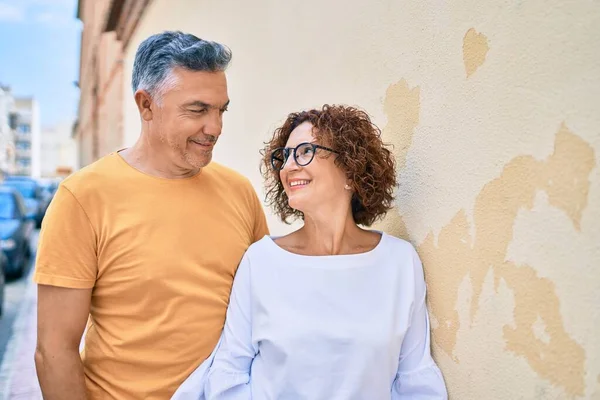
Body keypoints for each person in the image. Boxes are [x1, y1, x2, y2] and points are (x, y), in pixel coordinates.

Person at [34, 31, 268, 399]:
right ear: (146, 106)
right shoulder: (82, 198)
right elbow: (54, 351)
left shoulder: (240, 192)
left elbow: (263, 314)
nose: (215, 128)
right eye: (198, 110)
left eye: (221, 110)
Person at [173, 105, 447, 399]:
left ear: (351, 171)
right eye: (285, 156)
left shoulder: (400, 262)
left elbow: (415, 378)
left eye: (305, 151)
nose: (289, 166)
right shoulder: (261, 261)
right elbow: (229, 372)